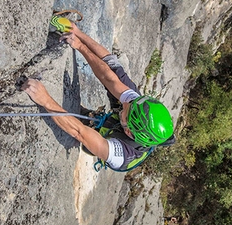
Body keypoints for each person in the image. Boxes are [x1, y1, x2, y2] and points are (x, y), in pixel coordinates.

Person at [21, 18, 174, 171]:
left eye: (127, 108)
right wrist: (79, 38)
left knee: (88, 135)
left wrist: (45, 100)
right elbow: (109, 73)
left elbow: (79, 132)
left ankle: (95, 128)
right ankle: (91, 117)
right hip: (121, 126)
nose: (127, 101)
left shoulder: (120, 154)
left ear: (128, 130)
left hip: (110, 140)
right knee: (115, 71)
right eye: (130, 102)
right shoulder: (136, 104)